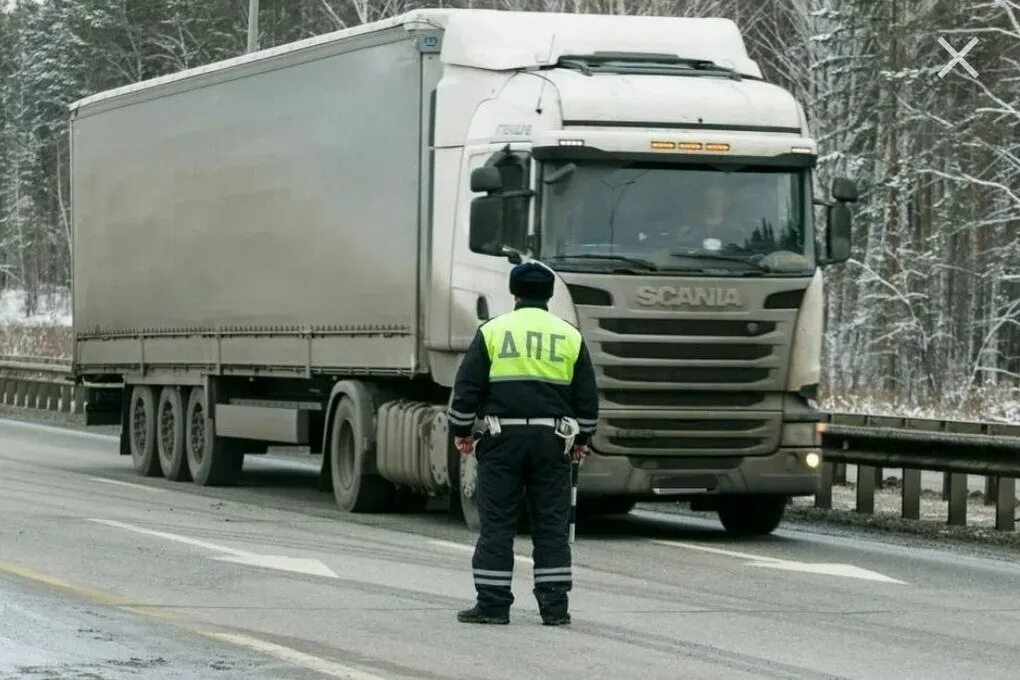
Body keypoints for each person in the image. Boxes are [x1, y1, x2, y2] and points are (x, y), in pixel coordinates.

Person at [447, 261, 598, 626]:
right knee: (551, 525)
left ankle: (493, 606)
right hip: (552, 441)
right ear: (548, 295)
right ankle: (555, 609)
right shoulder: (569, 335)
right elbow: (587, 398)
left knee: (498, 523)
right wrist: (582, 438)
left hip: (503, 440)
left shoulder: (493, 332)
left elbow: (467, 389)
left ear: (514, 294)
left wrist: (462, 432)